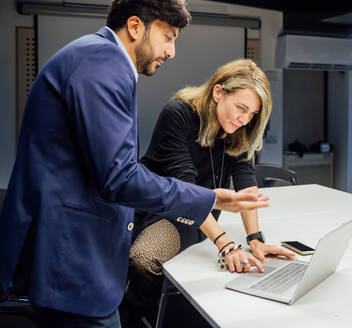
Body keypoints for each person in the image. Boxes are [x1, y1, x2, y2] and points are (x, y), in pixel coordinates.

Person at [0, 1, 269, 327]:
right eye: (168, 37)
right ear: (135, 26)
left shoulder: (95, 57)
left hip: (75, 250)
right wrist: (211, 201)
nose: (171, 52)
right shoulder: (104, 62)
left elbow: (105, 169)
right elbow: (120, 176)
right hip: (70, 257)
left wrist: (255, 237)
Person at [120, 58, 296, 326]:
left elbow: (245, 180)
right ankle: (132, 317)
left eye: (252, 114)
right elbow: (186, 188)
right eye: (241, 108)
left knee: (144, 258)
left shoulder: (240, 127)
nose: (244, 119)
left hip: (194, 213)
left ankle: (138, 316)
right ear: (218, 92)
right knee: (141, 260)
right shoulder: (178, 114)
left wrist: (255, 239)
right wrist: (226, 246)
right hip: (162, 203)